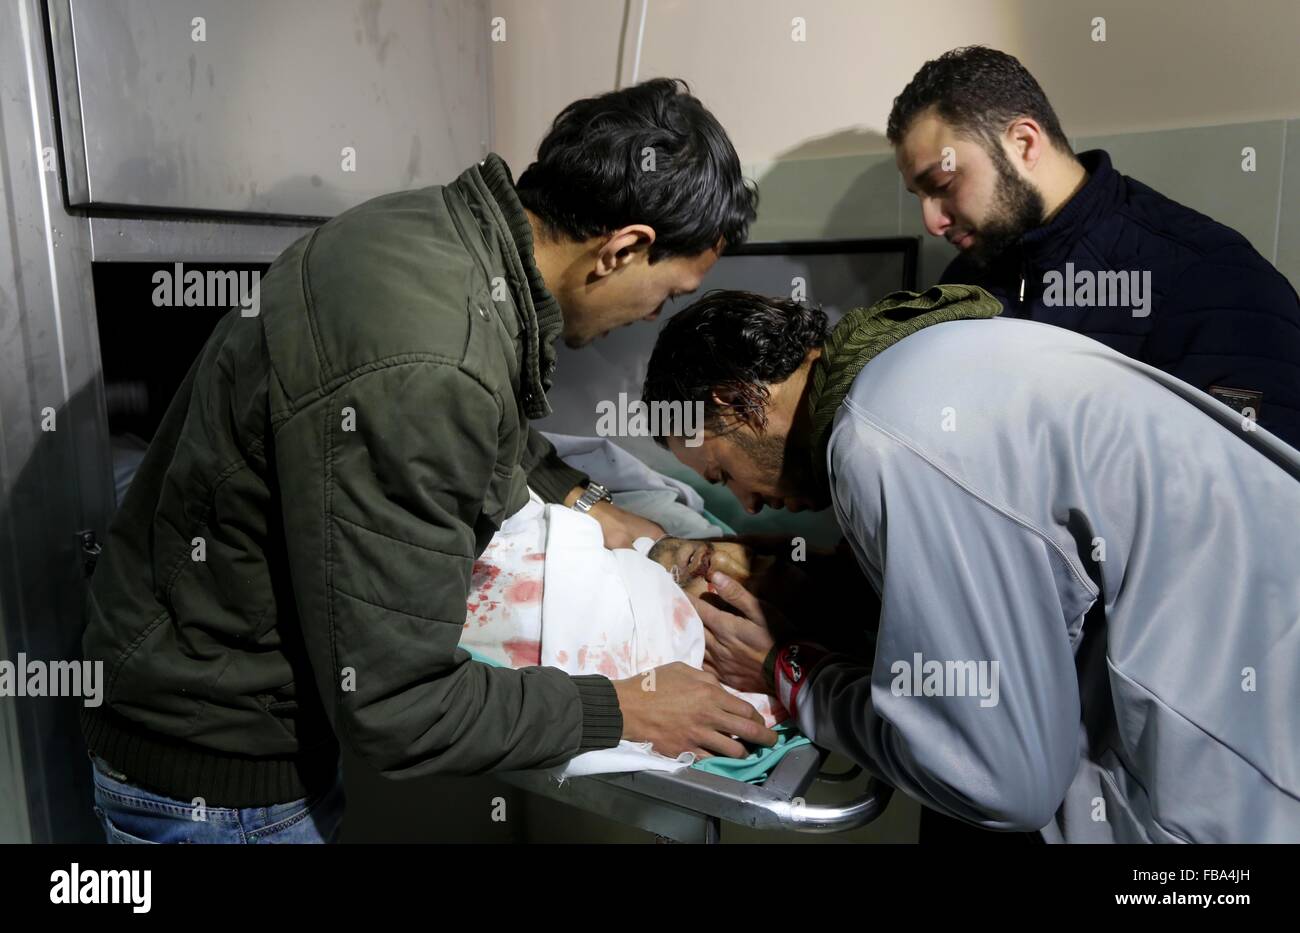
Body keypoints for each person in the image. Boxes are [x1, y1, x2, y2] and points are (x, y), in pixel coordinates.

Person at [83, 78, 775, 845]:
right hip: (217, 778)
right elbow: (398, 707)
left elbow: (475, 433)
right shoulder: (431, 360)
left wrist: (585, 500)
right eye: (666, 294)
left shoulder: (430, 237)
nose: (652, 316)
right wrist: (627, 707)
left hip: (183, 698)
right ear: (624, 248)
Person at [641, 287, 1300, 842]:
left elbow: (1002, 781)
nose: (748, 506)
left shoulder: (879, 445)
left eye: (723, 473)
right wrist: (831, 577)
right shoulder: (929, 358)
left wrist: (791, 670)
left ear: (737, 400)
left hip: (1244, 794)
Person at [888, 46, 1300, 448]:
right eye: (918, 196)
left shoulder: (1215, 281)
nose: (931, 222)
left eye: (943, 185)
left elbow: (1253, 498)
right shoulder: (965, 280)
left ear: (1024, 143)